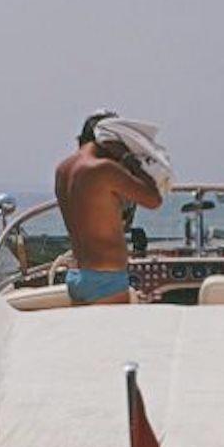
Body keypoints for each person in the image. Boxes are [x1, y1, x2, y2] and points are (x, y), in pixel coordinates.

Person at [53, 111, 167, 304]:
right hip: (106, 279)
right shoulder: (102, 169)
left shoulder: (62, 170)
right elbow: (153, 199)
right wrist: (127, 157)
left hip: (76, 275)